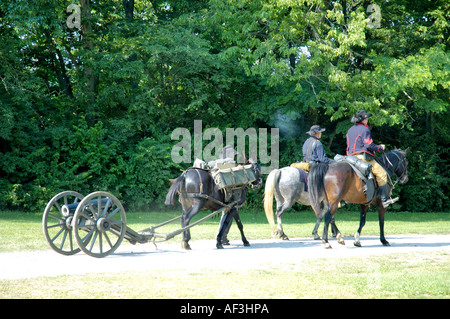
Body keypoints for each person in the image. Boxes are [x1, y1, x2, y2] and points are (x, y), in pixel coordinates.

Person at [346, 110, 397, 208]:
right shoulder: (364, 130)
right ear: (364, 119)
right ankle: (384, 199)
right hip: (362, 157)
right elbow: (369, 145)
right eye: (367, 118)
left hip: (350, 157)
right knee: (382, 174)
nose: (367, 120)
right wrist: (380, 147)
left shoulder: (350, 130)